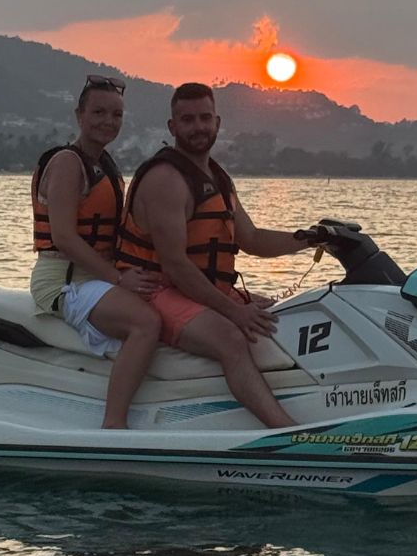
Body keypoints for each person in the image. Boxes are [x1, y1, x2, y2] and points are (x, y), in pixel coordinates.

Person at [115, 82, 317, 428]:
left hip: (197, 287)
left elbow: (251, 239)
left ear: (218, 123)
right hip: (156, 289)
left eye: (205, 118)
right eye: (188, 119)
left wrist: (313, 238)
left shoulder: (218, 178)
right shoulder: (166, 179)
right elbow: (176, 266)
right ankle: (284, 429)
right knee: (231, 339)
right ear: (172, 127)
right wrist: (234, 311)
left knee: (283, 312)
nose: (198, 127)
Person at [30, 74, 161, 429]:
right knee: (146, 324)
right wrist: (120, 279)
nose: (108, 121)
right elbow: (65, 238)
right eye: (99, 112)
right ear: (79, 115)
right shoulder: (67, 164)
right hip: (63, 281)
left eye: (116, 115)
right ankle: (114, 425)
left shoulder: (105, 166)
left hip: (96, 279)